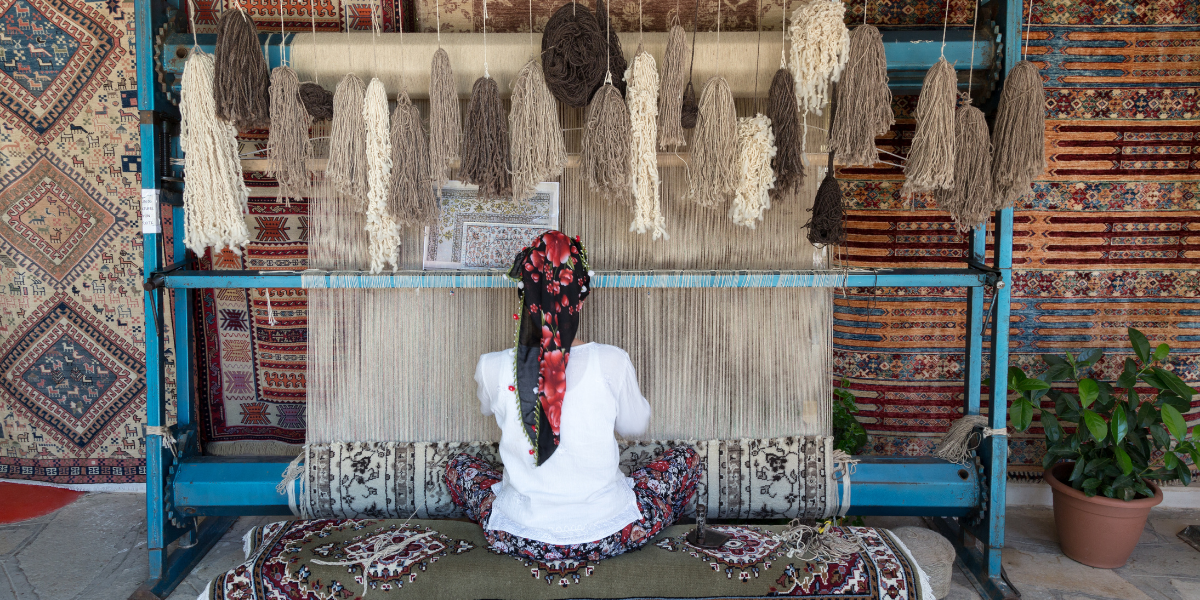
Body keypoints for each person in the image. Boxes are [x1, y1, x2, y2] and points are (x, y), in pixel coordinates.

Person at [445, 230, 700, 562]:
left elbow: (486, 406)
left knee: (458, 466)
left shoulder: (492, 367)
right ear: (579, 299)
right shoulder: (612, 361)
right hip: (607, 532)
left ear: (525, 298)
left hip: (520, 535)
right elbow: (636, 424)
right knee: (687, 459)